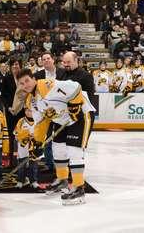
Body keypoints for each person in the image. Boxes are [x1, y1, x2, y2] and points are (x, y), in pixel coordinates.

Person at [16, 68, 95, 205]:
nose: (25, 85)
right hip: (62, 120)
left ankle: (78, 188)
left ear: (34, 79)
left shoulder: (47, 86)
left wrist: (74, 104)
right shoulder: (32, 101)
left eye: (27, 81)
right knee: (58, 149)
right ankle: (62, 180)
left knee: (74, 150)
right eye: (22, 83)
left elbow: (75, 86)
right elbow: (41, 122)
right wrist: (37, 143)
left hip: (80, 116)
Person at [34, 52, 66, 172]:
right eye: (44, 59)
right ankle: (49, 163)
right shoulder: (37, 75)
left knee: (61, 139)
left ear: (53, 60)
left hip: (61, 111)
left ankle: (62, 164)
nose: (46, 61)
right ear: (41, 62)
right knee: (47, 138)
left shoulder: (63, 73)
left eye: (48, 58)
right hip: (45, 112)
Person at [14, 107, 41, 191]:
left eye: (31, 110)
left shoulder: (38, 120)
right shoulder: (21, 121)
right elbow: (16, 133)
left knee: (34, 165)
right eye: (27, 110)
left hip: (34, 147)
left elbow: (42, 133)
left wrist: (36, 137)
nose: (29, 112)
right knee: (21, 164)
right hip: (23, 147)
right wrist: (26, 134)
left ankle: (33, 181)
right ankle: (20, 181)